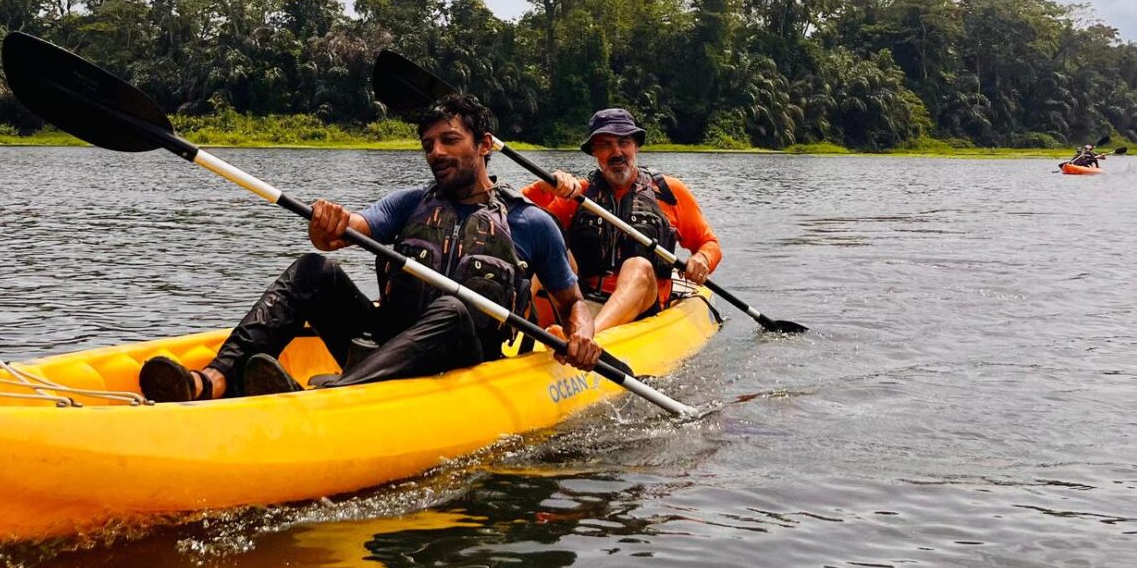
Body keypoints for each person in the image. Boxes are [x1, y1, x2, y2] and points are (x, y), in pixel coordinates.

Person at [139, 92, 603, 401]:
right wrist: (327, 227)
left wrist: (582, 334)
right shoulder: (408, 203)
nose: (436, 152)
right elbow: (347, 230)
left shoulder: (532, 222)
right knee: (313, 269)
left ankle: (337, 396)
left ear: (484, 146)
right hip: (382, 345)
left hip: (466, 360)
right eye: (428, 144)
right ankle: (213, 380)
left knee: (457, 307)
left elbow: (571, 302)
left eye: (449, 140)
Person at [521, 107, 722, 335]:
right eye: (605, 145)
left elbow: (710, 244)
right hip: (580, 302)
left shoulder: (668, 192)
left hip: (642, 307)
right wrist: (543, 188)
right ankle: (504, 325)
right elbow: (516, 220)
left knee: (638, 265)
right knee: (544, 244)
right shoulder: (578, 194)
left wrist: (702, 258)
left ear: (636, 146)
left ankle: (586, 339)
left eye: (623, 142)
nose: (616, 152)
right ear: (595, 152)